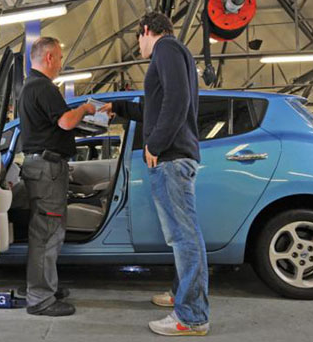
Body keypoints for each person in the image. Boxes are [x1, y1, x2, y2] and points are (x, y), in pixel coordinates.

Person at [101, 12, 209, 336]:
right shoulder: (173, 54)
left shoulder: (166, 49)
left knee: (184, 238)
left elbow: (177, 100)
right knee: (183, 237)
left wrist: (155, 144)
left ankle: (191, 317)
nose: (139, 45)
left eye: (138, 37)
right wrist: (118, 108)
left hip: (171, 157)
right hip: (175, 156)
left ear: (146, 30)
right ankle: (182, 298)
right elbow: (156, 107)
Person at [15, 36, 97, 317]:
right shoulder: (44, 86)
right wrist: (85, 109)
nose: (61, 64)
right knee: (47, 233)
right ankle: (40, 298)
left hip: (41, 168)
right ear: (49, 57)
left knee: (45, 231)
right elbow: (65, 122)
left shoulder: (30, 87)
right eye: (60, 58)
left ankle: (43, 286)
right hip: (47, 169)